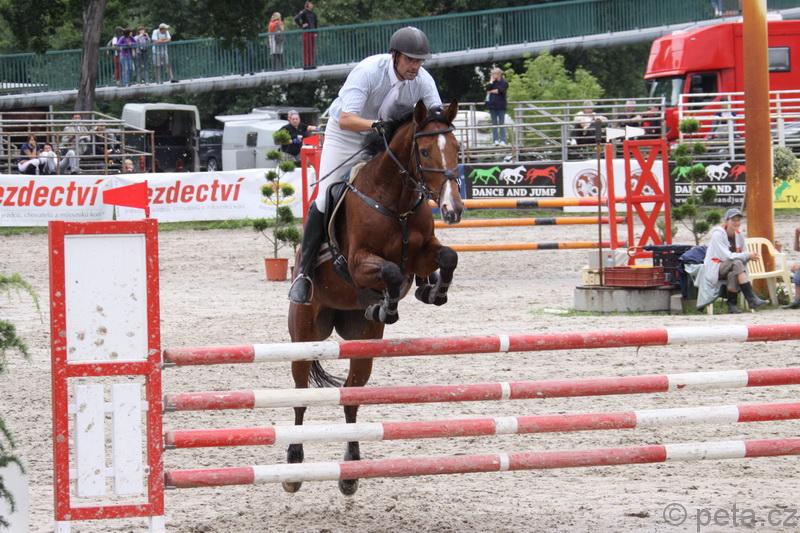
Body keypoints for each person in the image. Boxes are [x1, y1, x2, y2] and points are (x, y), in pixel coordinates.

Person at [288, 26, 442, 304]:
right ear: (395, 55)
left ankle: (424, 269)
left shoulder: (423, 80)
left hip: (384, 139)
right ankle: (304, 273)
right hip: (346, 136)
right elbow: (346, 118)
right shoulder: (368, 71)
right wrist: (375, 125)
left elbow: (436, 117)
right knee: (325, 195)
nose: (415, 66)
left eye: (419, 61)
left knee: (408, 187)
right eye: (410, 60)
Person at [697, 208, 768, 314]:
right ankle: (751, 299)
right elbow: (727, 256)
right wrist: (747, 255)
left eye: (738, 220)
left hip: (732, 267)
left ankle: (732, 305)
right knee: (736, 263)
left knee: (735, 269)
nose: (736, 222)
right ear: (726, 221)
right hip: (716, 267)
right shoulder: (718, 234)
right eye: (733, 220)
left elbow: (742, 254)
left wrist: (748, 257)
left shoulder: (739, 235)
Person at [485, 67, 508, 146]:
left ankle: (503, 140)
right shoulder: (492, 83)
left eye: (493, 74)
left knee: (501, 123)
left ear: (498, 74)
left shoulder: (504, 82)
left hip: (501, 106)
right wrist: (491, 81)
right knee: (494, 123)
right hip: (492, 106)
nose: (492, 75)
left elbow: (501, 91)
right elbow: (487, 89)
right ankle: (495, 140)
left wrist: (492, 91)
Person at [294, 1, 317, 70]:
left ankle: (311, 63)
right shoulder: (303, 12)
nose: (312, 5)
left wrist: (316, 32)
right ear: (307, 5)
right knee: (306, 49)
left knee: (312, 49)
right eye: (310, 4)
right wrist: (301, 25)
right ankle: (306, 64)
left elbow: (315, 23)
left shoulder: (313, 14)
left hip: (312, 32)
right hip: (306, 32)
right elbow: (296, 18)